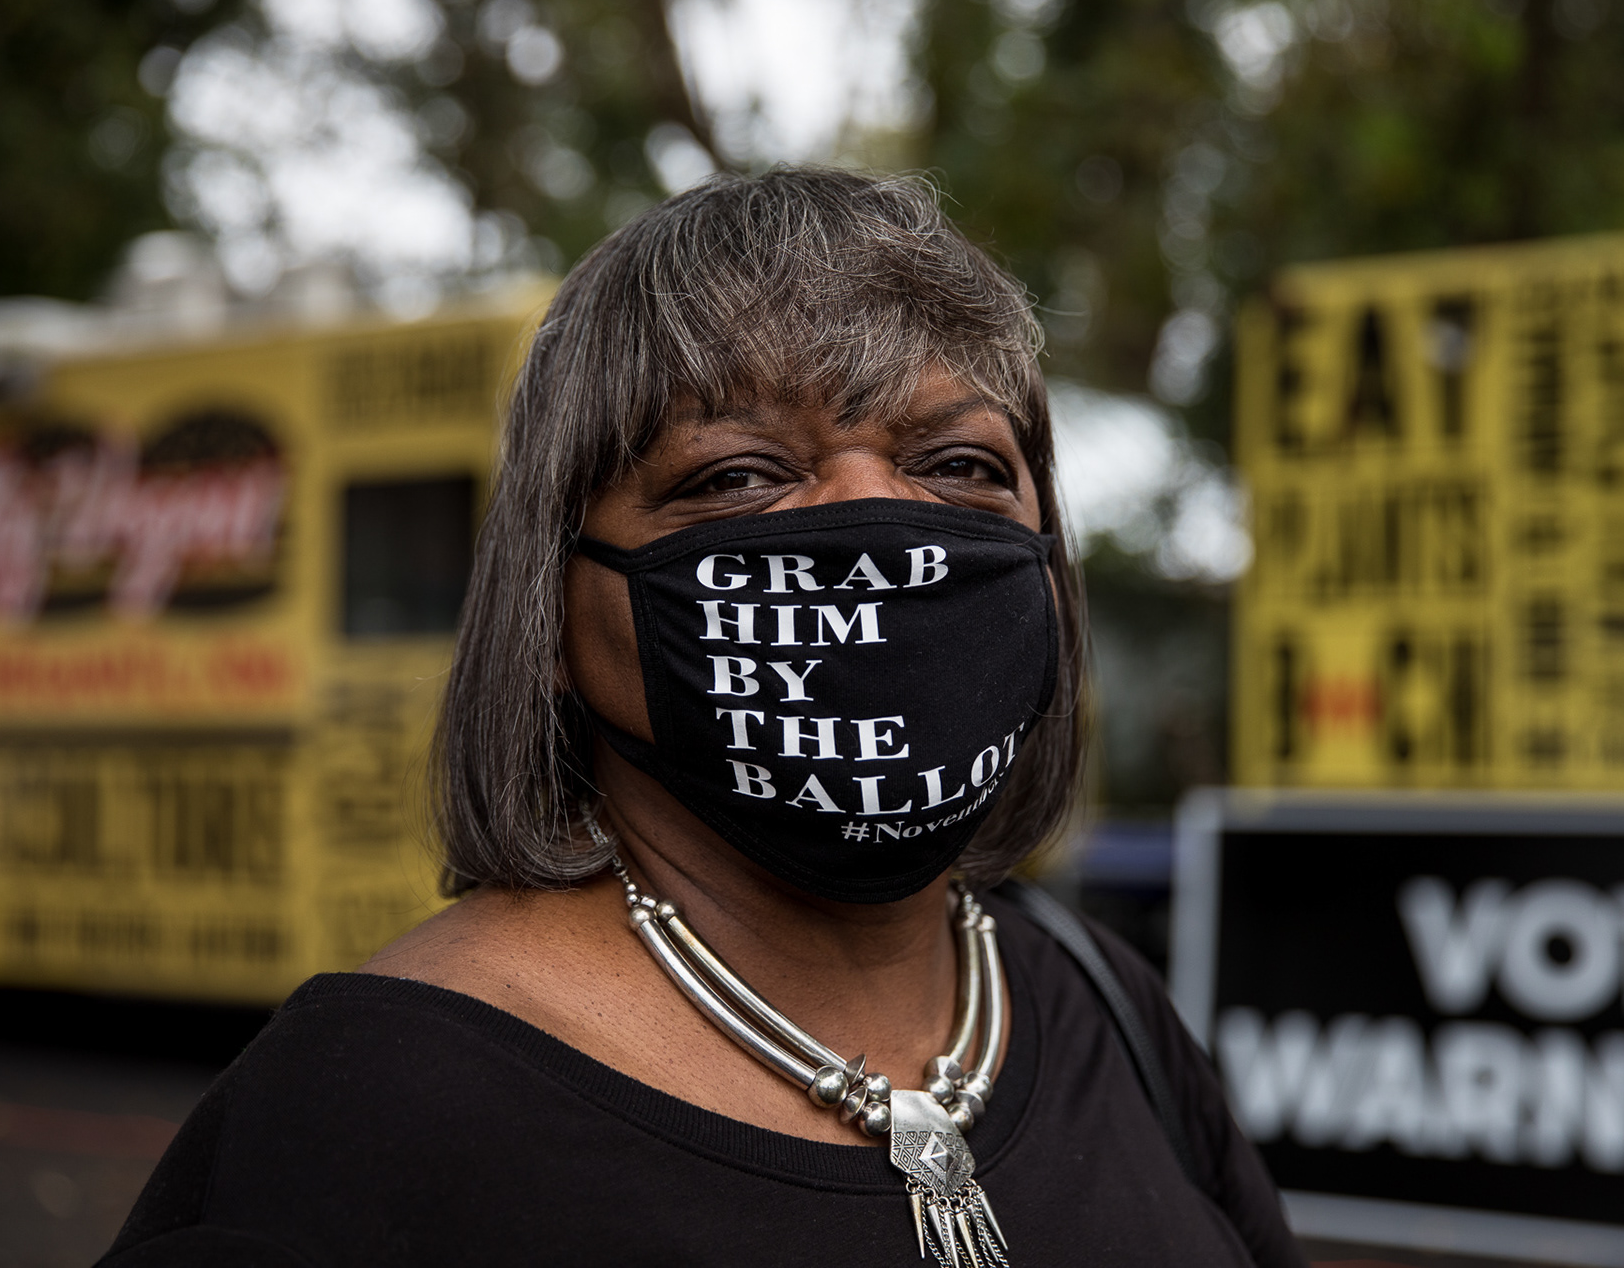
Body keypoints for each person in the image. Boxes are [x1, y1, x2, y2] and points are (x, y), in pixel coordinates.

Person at [100, 168, 1305, 1268]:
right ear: (555, 605)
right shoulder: (373, 1103)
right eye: (737, 474)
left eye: (962, 466)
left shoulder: (1102, 1000)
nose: (879, 527)